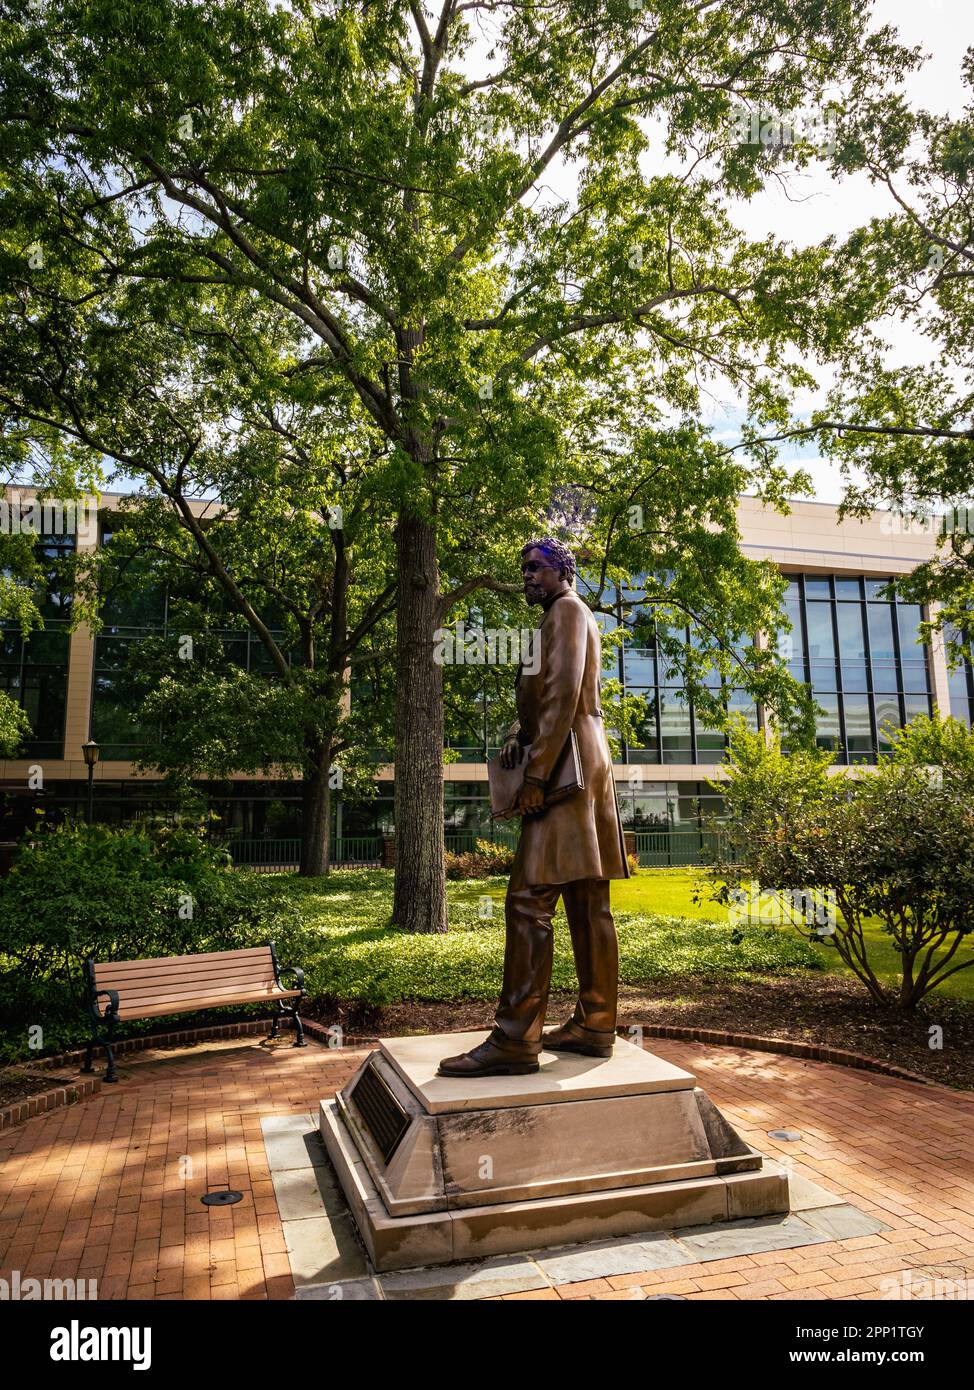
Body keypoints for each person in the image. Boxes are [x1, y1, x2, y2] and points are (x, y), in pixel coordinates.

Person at [438, 537, 630, 1078]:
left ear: (562, 571)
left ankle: (515, 1036)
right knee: (589, 900)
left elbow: (564, 690)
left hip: (564, 770)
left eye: (534, 568)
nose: (525, 576)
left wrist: (537, 774)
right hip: (582, 760)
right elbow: (551, 696)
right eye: (522, 569)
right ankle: (596, 1022)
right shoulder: (567, 615)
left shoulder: (566, 611)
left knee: (527, 898)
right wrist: (519, 734)